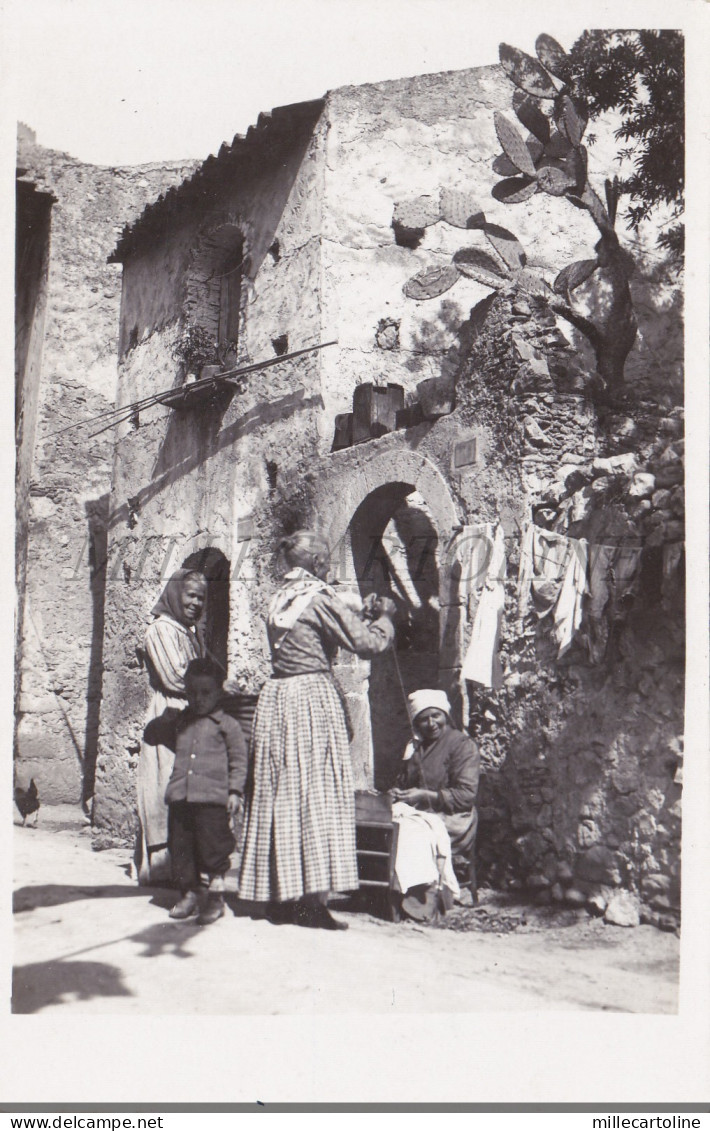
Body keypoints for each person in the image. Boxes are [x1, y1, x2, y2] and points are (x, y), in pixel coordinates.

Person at [238, 530, 396, 930]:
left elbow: (324, 624)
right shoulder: (319, 598)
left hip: (277, 697)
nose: (328, 565)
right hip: (310, 697)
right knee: (319, 795)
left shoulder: (280, 597)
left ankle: (279, 896)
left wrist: (361, 610)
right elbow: (367, 644)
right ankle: (312, 902)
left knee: (282, 795)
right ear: (312, 563)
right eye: (324, 558)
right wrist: (385, 619)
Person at [145, 658, 248, 924]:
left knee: (213, 848)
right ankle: (188, 894)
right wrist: (162, 720)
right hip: (181, 797)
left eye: (206, 693)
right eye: (192, 693)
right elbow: (151, 736)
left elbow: (239, 760)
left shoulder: (227, 726)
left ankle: (215, 896)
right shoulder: (181, 721)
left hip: (212, 800)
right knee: (181, 849)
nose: (198, 699)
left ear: (219, 693)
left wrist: (235, 791)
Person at [136, 569, 208, 885]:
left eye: (201, 598)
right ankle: (161, 864)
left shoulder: (189, 632)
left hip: (189, 714)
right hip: (169, 715)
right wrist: (213, 686)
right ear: (176, 594)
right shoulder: (161, 630)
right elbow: (174, 677)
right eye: (190, 595)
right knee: (164, 787)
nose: (195, 603)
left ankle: (186, 865)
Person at [390, 689, 480, 919]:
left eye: (435, 716)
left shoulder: (462, 746)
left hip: (455, 818)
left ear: (446, 716)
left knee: (412, 834)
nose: (431, 724)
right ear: (416, 722)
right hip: (423, 814)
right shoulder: (418, 748)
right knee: (393, 827)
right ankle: (390, 892)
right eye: (423, 718)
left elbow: (465, 796)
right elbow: (404, 783)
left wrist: (424, 796)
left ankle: (422, 903)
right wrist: (398, 791)